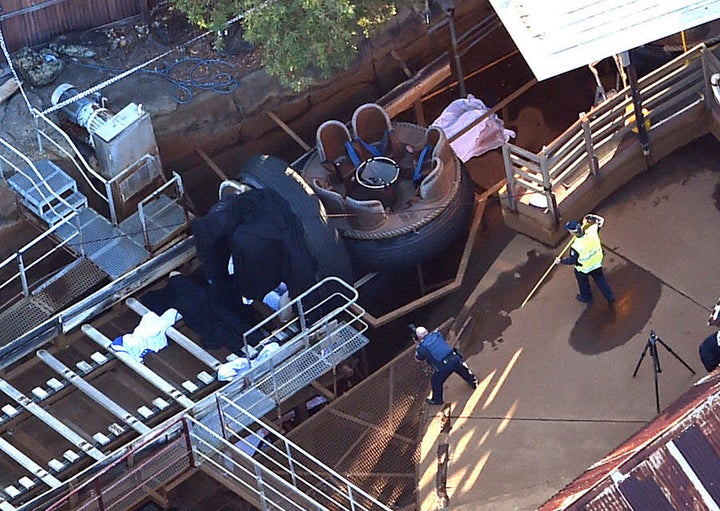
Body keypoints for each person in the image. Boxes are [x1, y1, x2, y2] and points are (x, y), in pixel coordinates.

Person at [555, 213, 616, 305]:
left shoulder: (576, 246)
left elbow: (572, 260)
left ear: (572, 233)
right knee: (600, 280)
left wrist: (560, 261)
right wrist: (589, 218)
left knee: (583, 283)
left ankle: (586, 297)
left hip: (583, 269)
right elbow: (600, 222)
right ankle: (610, 296)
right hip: (596, 263)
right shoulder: (592, 232)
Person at [413, 325, 478, 405]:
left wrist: (418, 345)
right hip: (454, 357)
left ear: (418, 337)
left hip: (444, 366)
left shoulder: (421, 348)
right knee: (462, 369)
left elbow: (418, 359)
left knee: (435, 381)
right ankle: (473, 381)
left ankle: (437, 400)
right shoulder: (437, 334)